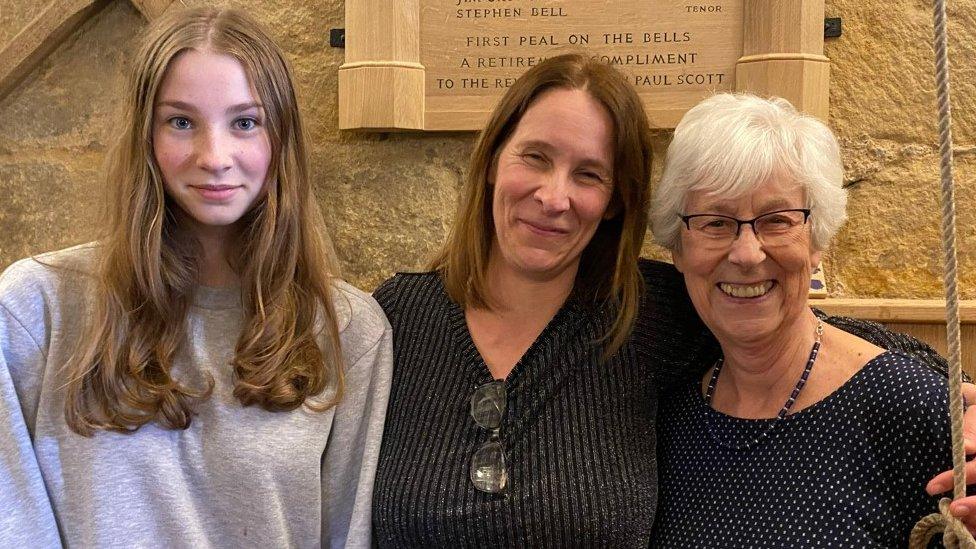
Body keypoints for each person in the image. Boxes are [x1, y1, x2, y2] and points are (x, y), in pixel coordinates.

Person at [369, 53, 973, 546]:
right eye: (536, 157)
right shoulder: (397, 321)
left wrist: (960, 392)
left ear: (614, 201)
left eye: (588, 173)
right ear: (493, 160)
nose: (555, 197)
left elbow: (784, 322)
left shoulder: (643, 316)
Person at [0, 8, 391, 548]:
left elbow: (348, 534)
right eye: (181, 121)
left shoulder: (347, 329)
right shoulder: (33, 310)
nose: (214, 157)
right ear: (145, 136)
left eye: (245, 122)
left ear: (281, 139)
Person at [649, 93, 955, 546]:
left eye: (776, 220)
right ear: (678, 248)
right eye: (715, 222)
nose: (747, 254)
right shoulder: (668, 411)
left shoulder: (908, 405)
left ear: (818, 241)